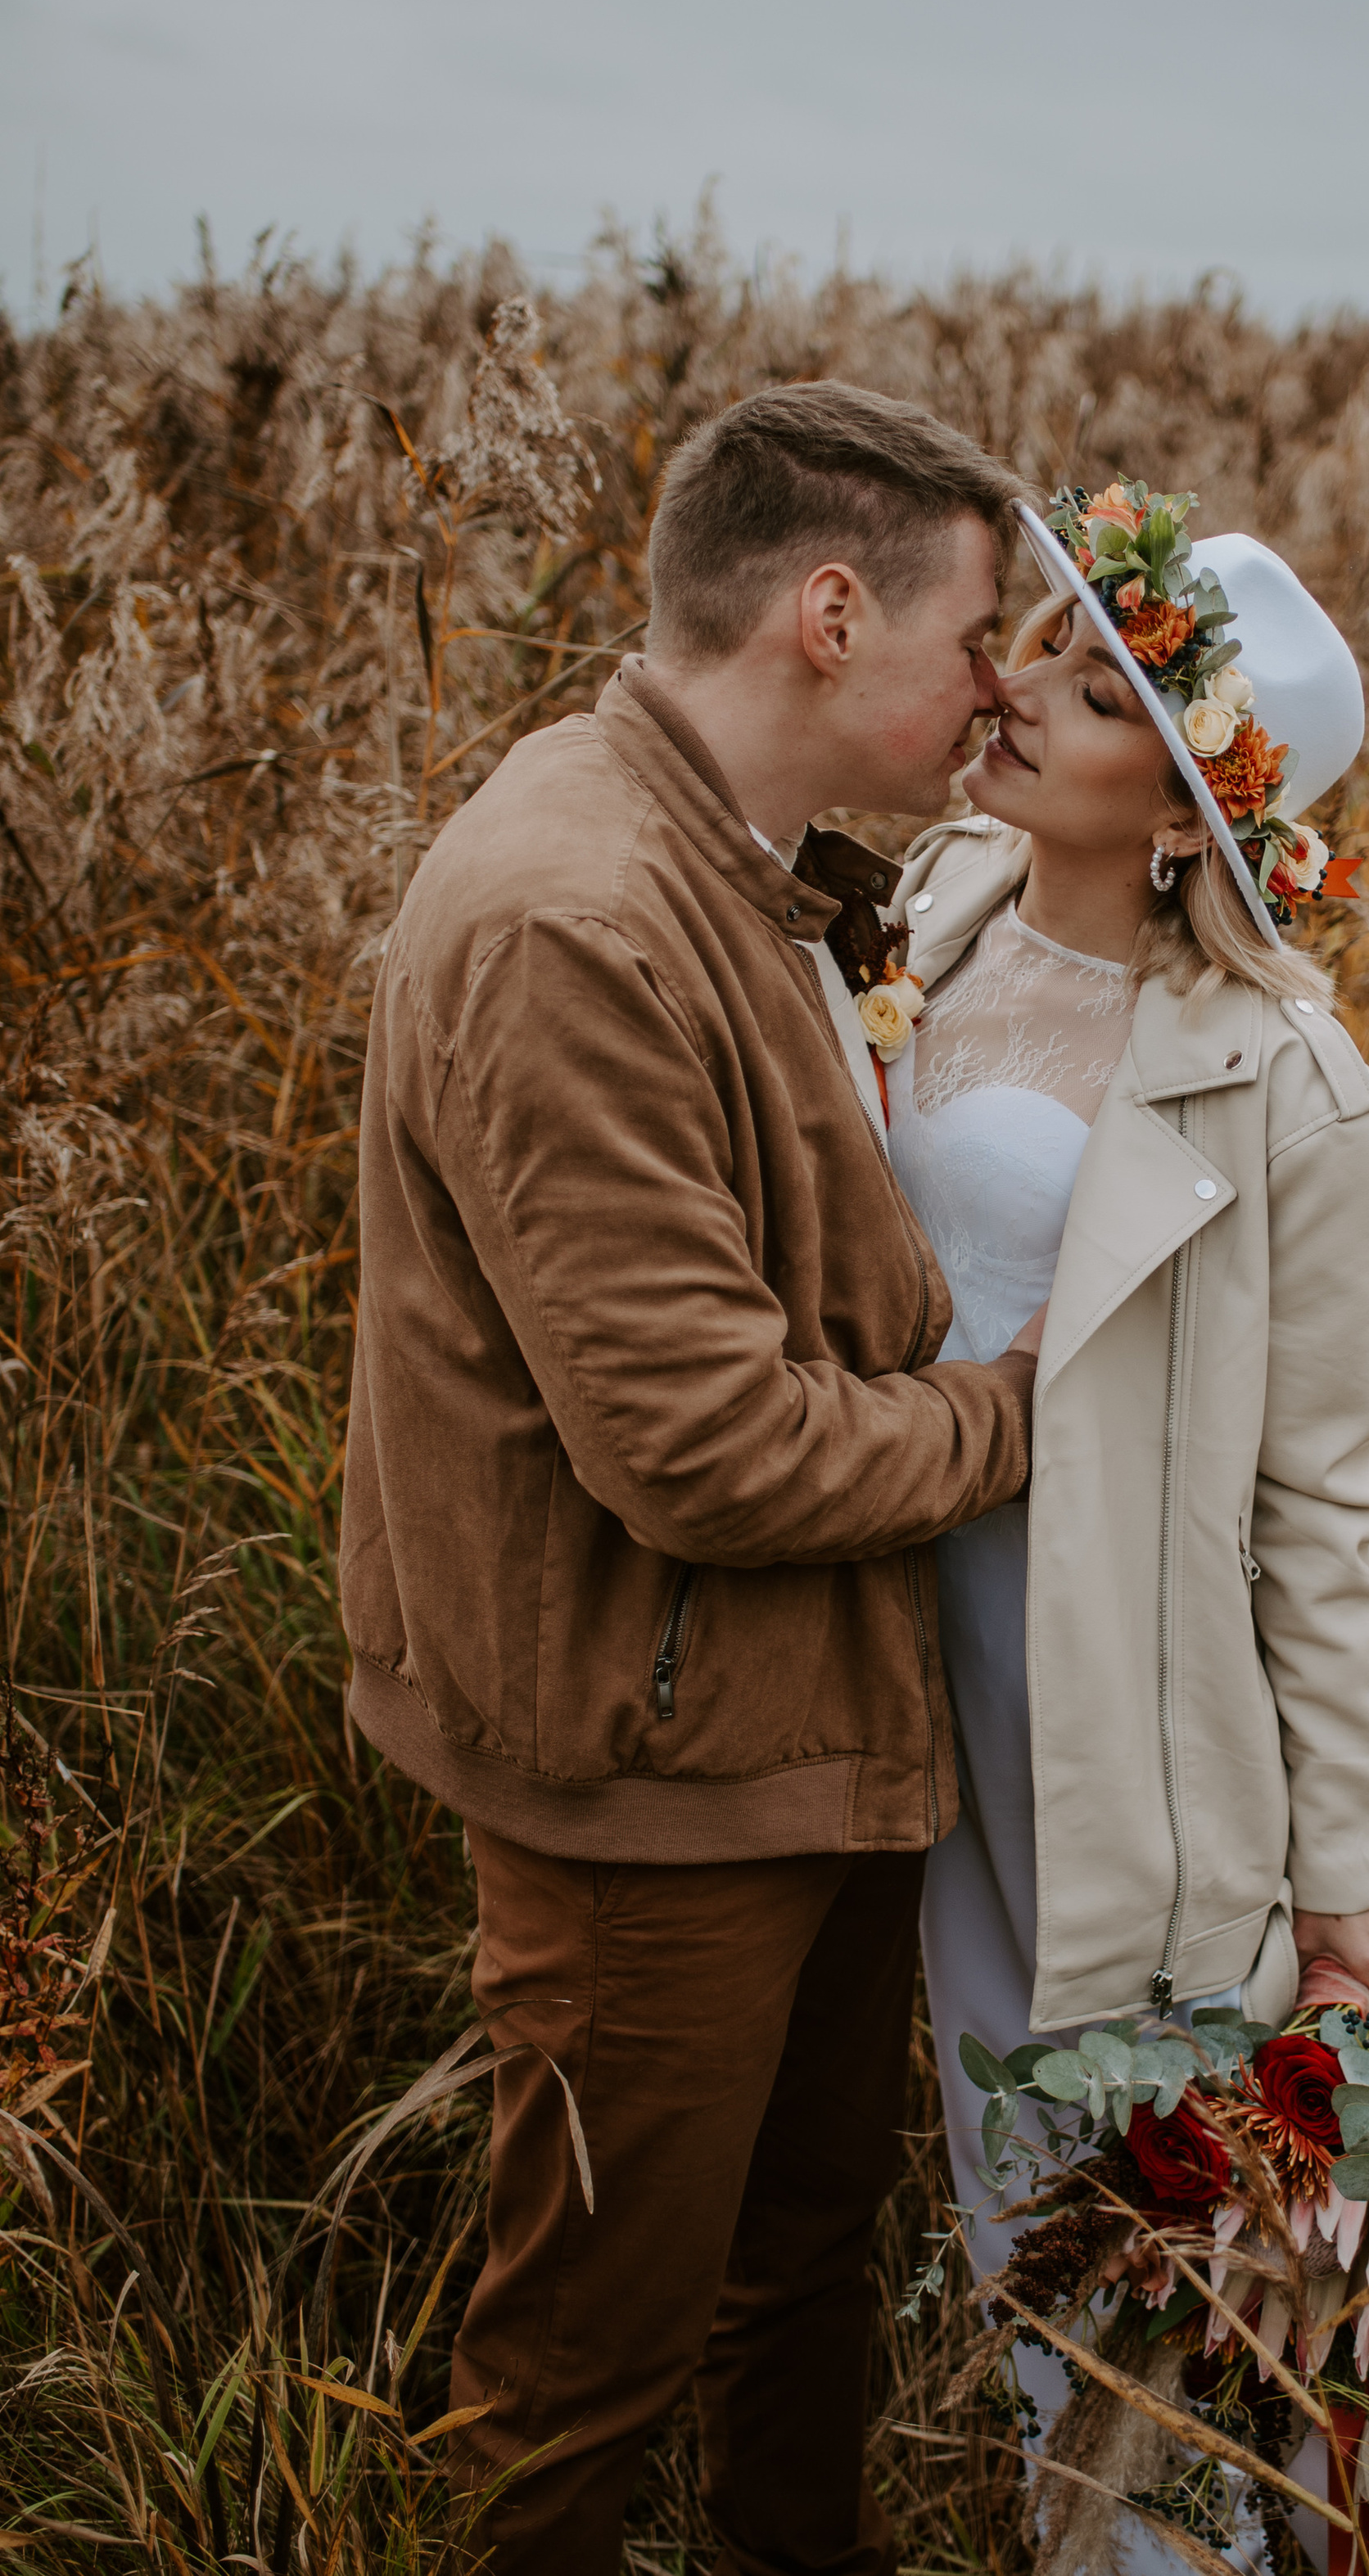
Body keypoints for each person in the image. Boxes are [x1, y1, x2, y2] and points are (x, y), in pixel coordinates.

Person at [340, 381, 1045, 2576]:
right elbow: (708, 1448)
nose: (1002, 688)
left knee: (792, 2273)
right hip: (651, 1773)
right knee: (584, 2373)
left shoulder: (753, 870)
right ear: (831, 614)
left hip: (790, 1726)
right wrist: (1042, 1412)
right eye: (980, 635)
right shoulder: (577, 913)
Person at [877, 480, 1369, 2556]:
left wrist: (1361, 1873)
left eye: (1085, 693)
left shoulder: (1278, 1073)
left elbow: (1318, 1498)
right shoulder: (924, 909)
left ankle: (1292, 2509)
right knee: (999, 2121)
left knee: (1176, 2161)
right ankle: (1108, 2515)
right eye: (1043, 649)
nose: (1006, 693)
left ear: (1184, 807)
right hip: (915, 1630)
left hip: (1136, 1697)